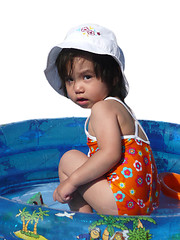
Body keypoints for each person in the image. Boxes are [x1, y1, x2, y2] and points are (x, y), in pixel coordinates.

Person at [44, 24, 160, 215]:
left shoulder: (102, 108)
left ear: (113, 78)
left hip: (123, 202)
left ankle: (83, 225)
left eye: (86, 77)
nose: (77, 88)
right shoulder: (120, 108)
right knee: (82, 166)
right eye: (70, 79)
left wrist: (71, 182)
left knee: (69, 160)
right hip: (144, 202)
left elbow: (110, 154)